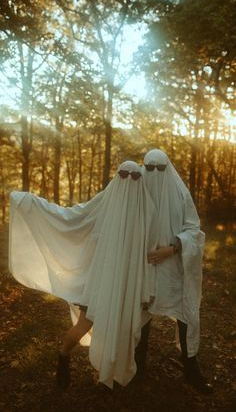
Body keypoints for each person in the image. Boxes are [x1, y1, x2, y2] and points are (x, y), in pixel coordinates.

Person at [9, 161, 157, 389]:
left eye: (134, 177)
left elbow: (150, 250)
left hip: (127, 281)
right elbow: (70, 217)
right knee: (86, 323)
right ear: (117, 179)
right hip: (100, 280)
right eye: (125, 177)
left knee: (118, 326)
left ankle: (104, 372)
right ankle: (63, 354)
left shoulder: (146, 210)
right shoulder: (104, 205)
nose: (129, 183)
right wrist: (32, 203)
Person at [139, 148, 212, 394]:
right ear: (143, 168)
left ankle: (191, 369)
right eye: (149, 169)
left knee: (185, 315)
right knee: (139, 319)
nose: (155, 174)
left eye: (160, 169)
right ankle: (137, 369)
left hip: (173, 266)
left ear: (167, 168)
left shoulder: (181, 194)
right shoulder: (136, 192)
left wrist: (171, 249)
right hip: (144, 267)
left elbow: (194, 230)